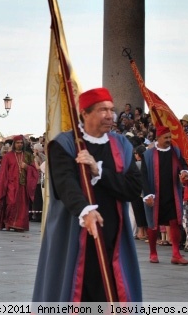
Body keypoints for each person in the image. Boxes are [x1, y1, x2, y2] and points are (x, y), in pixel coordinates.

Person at [33, 87, 142, 302]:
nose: (110, 116)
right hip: (75, 235)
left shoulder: (121, 145)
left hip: (113, 236)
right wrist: (85, 211)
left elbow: (133, 187)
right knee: (75, 292)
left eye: (111, 110)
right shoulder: (64, 144)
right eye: (103, 110)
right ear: (85, 113)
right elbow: (65, 185)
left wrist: (99, 171)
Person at [142, 125, 188, 265]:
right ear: (158, 137)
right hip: (154, 193)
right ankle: (153, 253)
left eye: (170, 137)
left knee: (174, 221)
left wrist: (184, 173)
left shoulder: (175, 151)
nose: (169, 140)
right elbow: (144, 177)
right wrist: (147, 194)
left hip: (172, 193)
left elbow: (184, 166)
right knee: (153, 223)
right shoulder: (148, 155)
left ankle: (176, 254)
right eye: (166, 137)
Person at [0, 135, 38, 231]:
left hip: (23, 185)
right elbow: (3, 172)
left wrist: (27, 167)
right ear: (14, 144)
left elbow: (35, 170)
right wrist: (2, 185)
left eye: (21, 143)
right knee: (11, 203)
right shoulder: (8, 156)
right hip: (11, 185)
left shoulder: (28, 156)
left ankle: (19, 225)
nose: (19, 144)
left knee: (22, 206)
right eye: (17, 143)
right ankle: (9, 223)